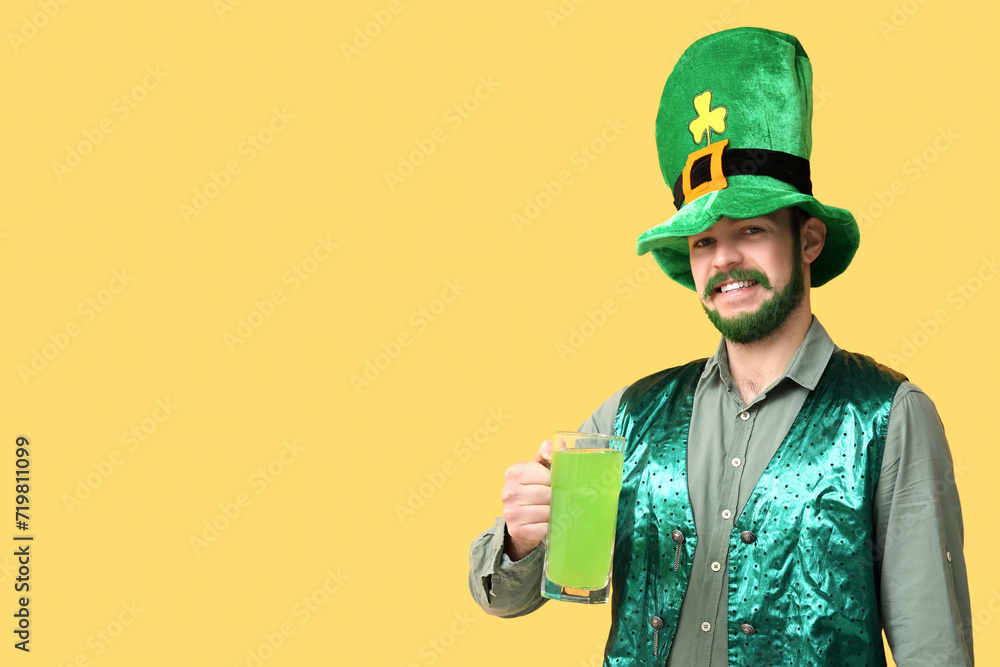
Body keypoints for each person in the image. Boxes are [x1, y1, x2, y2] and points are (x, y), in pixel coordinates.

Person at [468, 27, 974, 666]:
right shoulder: (630, 416)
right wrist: (519, 540)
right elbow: (507, 599)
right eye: (704, 241)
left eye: (752, 230)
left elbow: (937, 651)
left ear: (808, 240)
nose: (726, 258)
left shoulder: (888, 417)